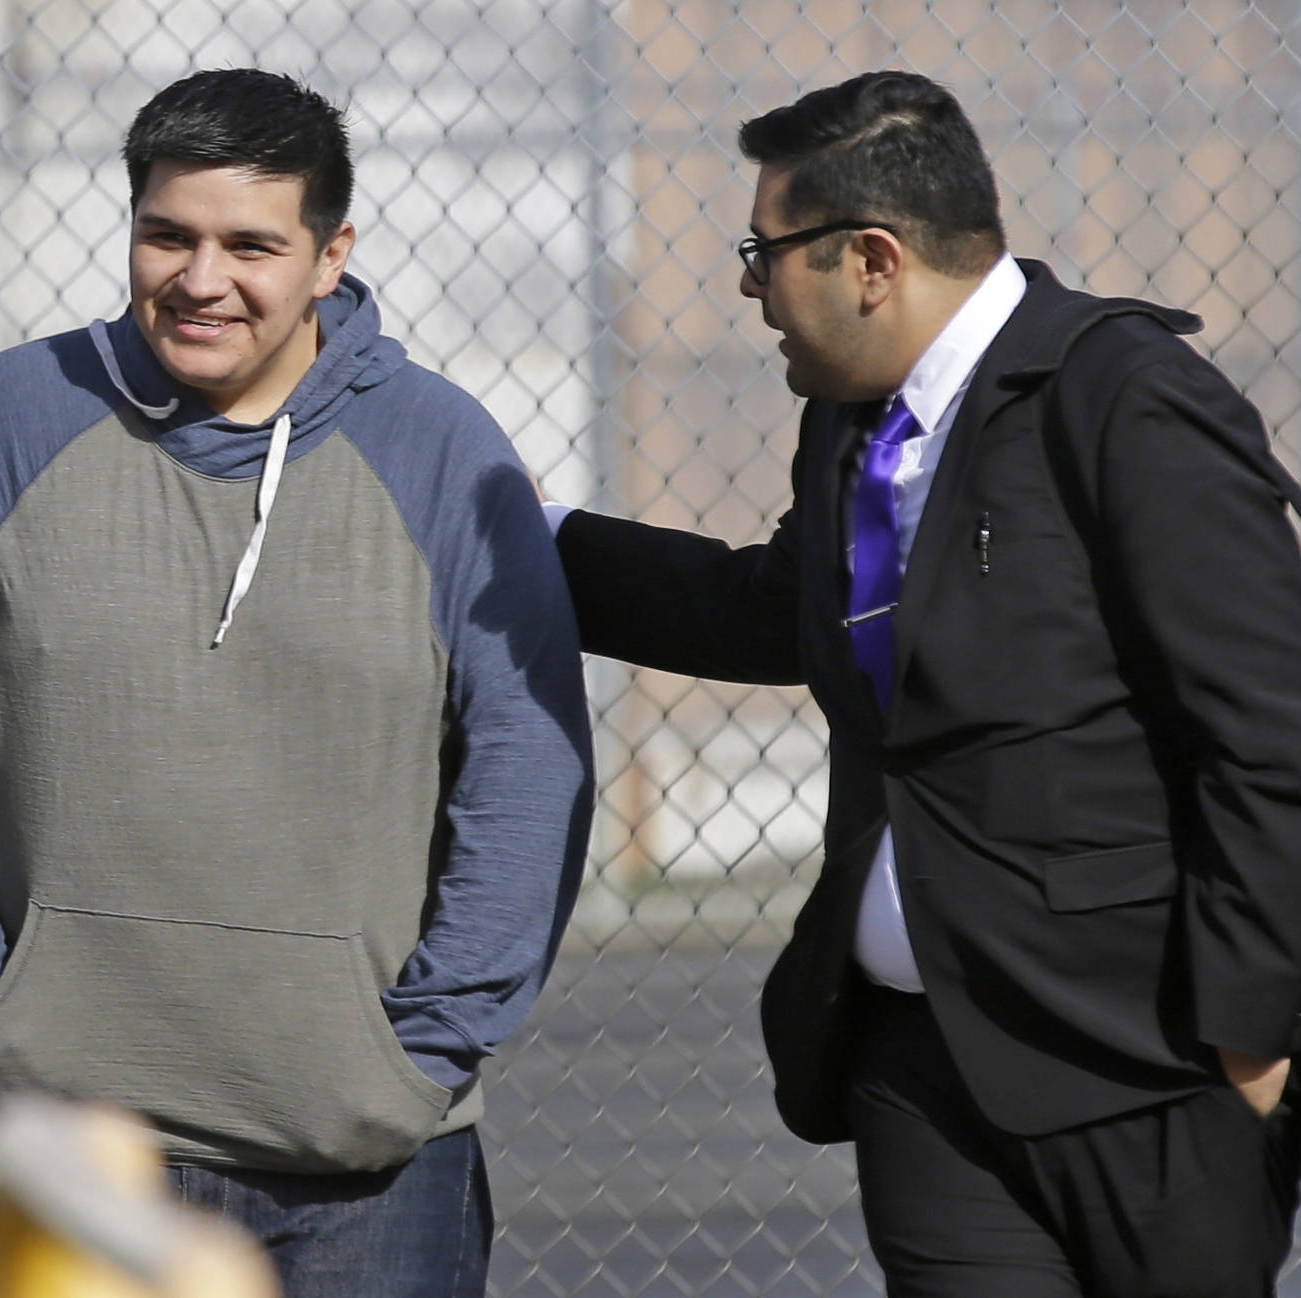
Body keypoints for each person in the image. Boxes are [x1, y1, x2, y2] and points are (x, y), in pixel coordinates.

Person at [548, 70, 1301, 1296]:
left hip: (1142, 1069)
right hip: (922, 1061)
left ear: (870, 260)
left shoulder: (1122, 400)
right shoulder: (851, 413)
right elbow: (774, 612)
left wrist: (1249, 1031)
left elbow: (1266, 730)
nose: (749, 287)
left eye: (763, 251)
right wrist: (527, 537)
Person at [0, 68, 593, 1296]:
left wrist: (418, 1052)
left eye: (250, 243)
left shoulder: (444, 453)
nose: (200, 279)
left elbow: (527, 763)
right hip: (59, 1140)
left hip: (363, 1166)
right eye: (166, 235)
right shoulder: (7, 421)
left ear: (328, 254)